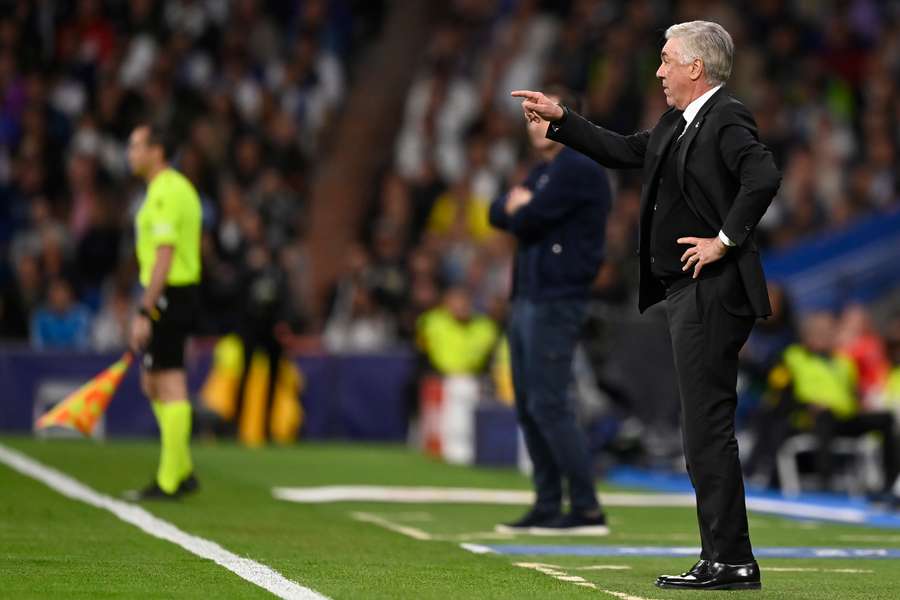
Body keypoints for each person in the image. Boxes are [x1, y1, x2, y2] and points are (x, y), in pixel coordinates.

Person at [513, 20, 781, 589]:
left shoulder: (725, 116)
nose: (658, 71)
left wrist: (723, 241)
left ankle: (730, 559)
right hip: (689, 293)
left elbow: (763, 175)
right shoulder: (678, 124)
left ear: (695, 67)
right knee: (701, 429)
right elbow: (621, 151)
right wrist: (563, 121)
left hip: (714, 291)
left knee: (706, 428)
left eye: (666, 60)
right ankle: (724, 555)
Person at [489, 85, 612, 535]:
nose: (535, 124)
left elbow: (526, 216)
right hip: (528, 296)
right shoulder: (542, 173)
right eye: (528, 119)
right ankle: (546, 501)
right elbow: (495, 212)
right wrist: (517, 206)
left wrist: (519, 207)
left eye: (541, 114)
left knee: (550, 402)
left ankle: (585, 508)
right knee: (528, 404)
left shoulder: (577, 167)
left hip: (557, 298)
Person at [125, 123, 202, 501]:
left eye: (137, 146)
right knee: (151, 381)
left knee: (168, 381)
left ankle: (170, 480)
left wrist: (145, 307)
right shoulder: (171, 188)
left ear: (157, 151)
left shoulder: (166, 192)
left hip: (170, 292)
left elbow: (165, 255)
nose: (131, 153)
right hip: (174, 293)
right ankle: (182, 469)